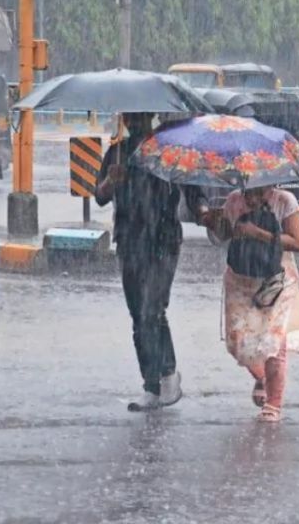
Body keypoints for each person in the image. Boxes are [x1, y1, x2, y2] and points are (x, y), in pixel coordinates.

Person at [95, 113, 214, 412]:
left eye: (140, 116)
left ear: (150, 117)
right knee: (139, 315)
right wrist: (112, 179)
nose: (134, 122)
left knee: (153, 309)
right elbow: (99, 195)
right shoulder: (117, 152)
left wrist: (206, 213)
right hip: (129, 242)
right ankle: (151, 384)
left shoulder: (169, 150)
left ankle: (168, 374)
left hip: (163, 241)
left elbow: (193, 191)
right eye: (129, 117)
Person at [216, 185, 299, 423]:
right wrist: (214, 219)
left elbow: (298, 242)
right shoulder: (234, 200)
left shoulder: (284, 201)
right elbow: (223, 233)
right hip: (241, 278)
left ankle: (273, 404)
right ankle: (264, 377)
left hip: (276, 279)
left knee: (273, 341)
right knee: (238, 342)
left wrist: (258, 233)